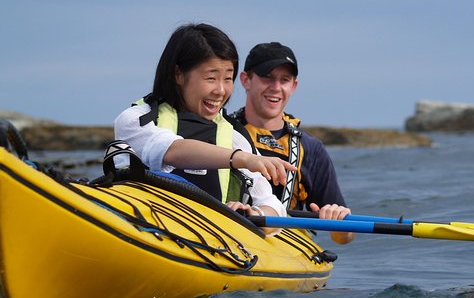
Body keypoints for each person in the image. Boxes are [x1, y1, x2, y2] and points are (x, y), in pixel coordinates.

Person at [114, 23, 294, 229]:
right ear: (178, 74)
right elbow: (172, 150)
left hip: (210, 242)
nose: (220, 90)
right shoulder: (137, 119)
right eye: (211, 78)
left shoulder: (235, 137)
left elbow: (273, 205)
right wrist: (241, 158)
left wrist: (252, 213)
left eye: (228, 78)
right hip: (144, 227)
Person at [231, 42, 355, 244]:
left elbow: (344, 238)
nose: (276, 88)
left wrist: (338, 220)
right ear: (246, 80)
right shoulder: (222, 132)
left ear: (293, 86)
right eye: (267, 78)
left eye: (284, 80)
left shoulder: (311, 148)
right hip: (231, 235)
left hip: (285, 247)